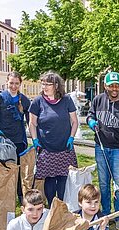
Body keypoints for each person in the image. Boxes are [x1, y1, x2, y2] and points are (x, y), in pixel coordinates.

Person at [86, 71, 119, 230]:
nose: (114, 88)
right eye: (111, 85)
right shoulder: (97, 100)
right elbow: (90, 114)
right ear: (105, 86)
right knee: (103, 183)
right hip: (101, 147)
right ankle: (105, 214)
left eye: (117, 85)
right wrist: (90, 121)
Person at [29, 71, 78, 207]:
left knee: (63, 178)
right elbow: (32, 123)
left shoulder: (67, 100)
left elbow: (74, 121)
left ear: (56, 85)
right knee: (49, 179)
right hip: (46, 148)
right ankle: (51, 206)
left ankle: (61, 207)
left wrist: (71, 137)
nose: (44, 87)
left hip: (64, 148)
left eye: (48, 84)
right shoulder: (38, 101)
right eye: (43, 83)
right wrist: (35, 139)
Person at [0, 71, 31, 203]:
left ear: (20, 84)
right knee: (5, 168)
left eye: (16, 83)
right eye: (11, 83)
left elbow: (31, 121)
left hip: (19, 140)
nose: (13, 86)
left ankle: (20, 195)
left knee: (19, 169)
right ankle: (4, 195)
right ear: (7, 83)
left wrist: (35, 137)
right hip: (4, 141)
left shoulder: (24, 100)